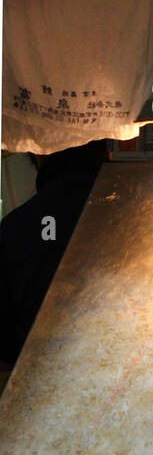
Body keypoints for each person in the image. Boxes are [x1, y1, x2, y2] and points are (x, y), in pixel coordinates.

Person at [0, 140, 109, 367]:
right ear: (106, 152)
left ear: (38, 155)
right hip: (123, 374)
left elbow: (5, 335)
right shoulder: (138, 216)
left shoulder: (14, 227)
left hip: (37, 373)